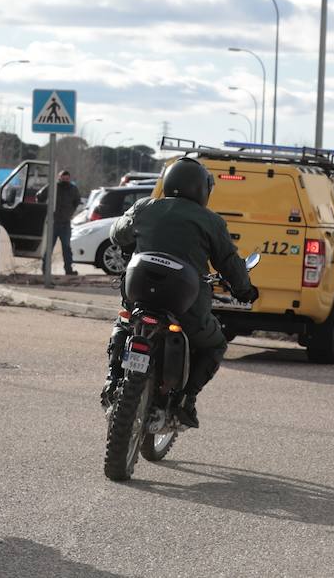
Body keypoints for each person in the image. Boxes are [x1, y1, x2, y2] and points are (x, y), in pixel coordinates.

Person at [103, 157, 259, 428]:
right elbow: (230, 264)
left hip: (138, 290)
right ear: (201, 188)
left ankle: (112, 378)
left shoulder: (145, 207)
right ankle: (186, 399)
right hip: (184, 304)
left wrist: (132, 241)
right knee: (215, 344)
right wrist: (245, 290)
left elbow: (117, 234)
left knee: (124, 321)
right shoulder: (210, 221)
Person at [42, 170, 82, 280]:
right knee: (49, 247)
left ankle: (68, 269)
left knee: (66, 247)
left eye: (67, 179)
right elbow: (40, 196)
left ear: (69, 179)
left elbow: (77, 201)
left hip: (65, 223)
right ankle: (45, 269)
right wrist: (46, 210)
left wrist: (70, 212)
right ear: (59, 178)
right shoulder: (53, 187)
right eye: (63, 178)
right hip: (53, 222)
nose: (65, 180)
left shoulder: (73, 189)